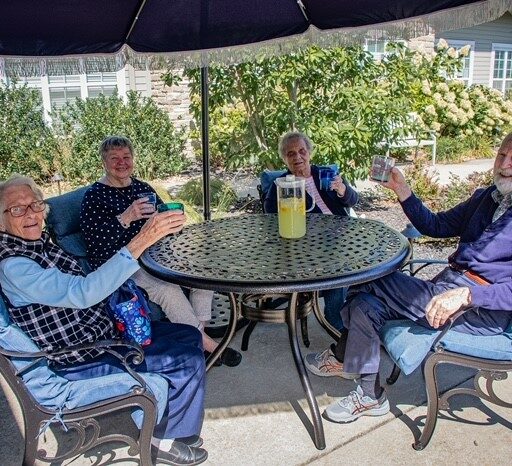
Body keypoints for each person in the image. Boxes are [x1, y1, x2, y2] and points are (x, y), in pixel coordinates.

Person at [0, 175, 208, 465]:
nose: (31, 214)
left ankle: (176, 425)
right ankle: (161, 439)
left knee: (188, 336)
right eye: (17, 209)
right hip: (77, 357)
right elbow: (83, 293)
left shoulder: (38, 244)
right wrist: (143, 238)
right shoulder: (15, 266)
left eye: (34, 205)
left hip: (98, 334)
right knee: (183, 359)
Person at [305, 133, 512, 423]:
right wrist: (402, 190)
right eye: (502, 155)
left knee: (366, 276)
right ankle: (370, 395)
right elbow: (436, 225)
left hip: (481, 310)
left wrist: (468, 296)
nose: (505, 165)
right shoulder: (486, 198)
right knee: (364, 303)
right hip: (443, 289)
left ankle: (343, 356)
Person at [80, 136, 241, 367]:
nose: (122, 162)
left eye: (126, 157)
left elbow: (158, 225)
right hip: (122, 263)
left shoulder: (142, 188)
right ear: (103, 162)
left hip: (155, 254)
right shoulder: (94, 197)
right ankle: (211, 347)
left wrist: (171, 224)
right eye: (114, 158)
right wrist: (126, 217)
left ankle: (199, 334)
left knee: (203, 271)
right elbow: (96, 243)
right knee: (167, 287)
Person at [264, 131, 359, 330]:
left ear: (309, 153)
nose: (297, 157)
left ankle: (364, 316)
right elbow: (270, 217)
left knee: (366, 266)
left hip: (341, 235)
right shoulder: (282, 185)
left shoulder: (327, 174)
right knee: (337, 273)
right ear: (285, 159)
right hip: (308, 243)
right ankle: (337, 323)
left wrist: (342, 190)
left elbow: (352, 200)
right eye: (291, 154)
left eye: (301, 151)